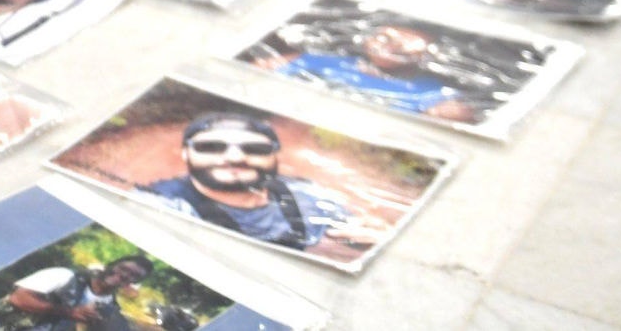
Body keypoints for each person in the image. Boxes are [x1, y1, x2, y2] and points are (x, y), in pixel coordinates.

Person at [139, 114, 361, 251]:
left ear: (275, 156)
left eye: (255, 149)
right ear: (185, 154)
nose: (235, 158)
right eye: (211, 147)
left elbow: (350, 231)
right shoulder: (161, 203)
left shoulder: (306, 194)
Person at [268, 28, 478, 123]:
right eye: (385, 38)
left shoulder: (436, 95)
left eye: (407, 44)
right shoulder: (320, 60)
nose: (392, 46)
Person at [0, 254, 153, 331]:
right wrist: (70, 312)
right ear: (111, 264)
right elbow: (18, 298)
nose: (124, 275)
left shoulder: (110, 309)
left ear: (134, 283)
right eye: (124, 268)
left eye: (134, 276)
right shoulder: (65, 275)